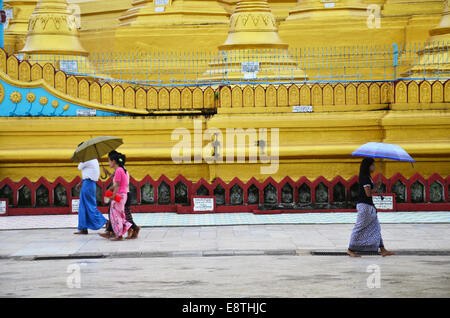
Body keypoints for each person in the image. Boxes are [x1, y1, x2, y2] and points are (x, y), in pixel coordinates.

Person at [347, 157, 396, 257]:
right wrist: (376, 187)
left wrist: (373, 205)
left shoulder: (368, 177)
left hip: (368, 206)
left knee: (376, 227)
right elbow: (368, 193)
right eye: (372, 165)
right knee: (359, 227)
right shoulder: (365, 177)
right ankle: (350, 249)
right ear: (368, 166)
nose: (374, 167)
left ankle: (382, 249)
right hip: (364, 207)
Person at [99, 151, 141, 239]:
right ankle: (113, 231)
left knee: (122, 215)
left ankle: (130, 229)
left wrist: (113, 193)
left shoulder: (120, 170)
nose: (109, 162)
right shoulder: (121, 169)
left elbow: (118, 184)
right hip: (123, 194)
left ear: (114, 161)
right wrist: (107, 173)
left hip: (122, 194)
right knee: (116, 213)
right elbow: (116, 179)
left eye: (109, 160)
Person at [74, 142, 107, 235]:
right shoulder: (92, 158)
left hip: (88, 184)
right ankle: (83, 228)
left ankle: (106, 222)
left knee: (89, 206)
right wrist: (81, 182)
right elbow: (87, 172)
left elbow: (79, 167)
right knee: (84, 206)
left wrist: (81, 157)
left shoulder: (87, 158)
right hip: (88, 183)